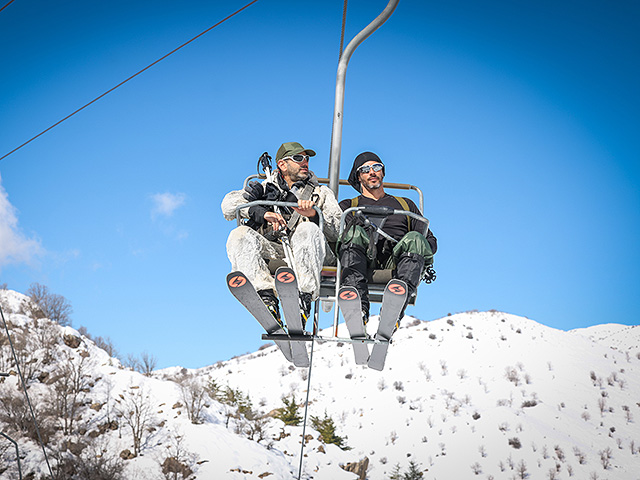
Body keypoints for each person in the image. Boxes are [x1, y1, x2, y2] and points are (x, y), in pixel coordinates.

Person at [222, 142, 342, 327]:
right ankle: (266, 296)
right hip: (277, 248)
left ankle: (304, 297)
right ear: (282, 164)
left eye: (306, 159)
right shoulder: (265, 189)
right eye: (298, 158)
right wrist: (260, 211)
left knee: (307, 229)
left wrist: (314, 214)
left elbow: (337, 230)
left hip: (312, 250)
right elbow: (228, 206)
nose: (305, 163)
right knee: (239, 235)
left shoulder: (321, 193)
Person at [338, 151, 437, 324]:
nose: (372, 172)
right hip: (363, 256)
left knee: (415, 238)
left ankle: (394, 306)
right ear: (358, 177)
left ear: (382, 172)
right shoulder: (349, 206)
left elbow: (429, 240)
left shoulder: (405, 204)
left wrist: (415, 249)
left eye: (376, 167)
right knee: (353, 232)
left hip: (397, 259)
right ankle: (359, 306)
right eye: (365, 169)